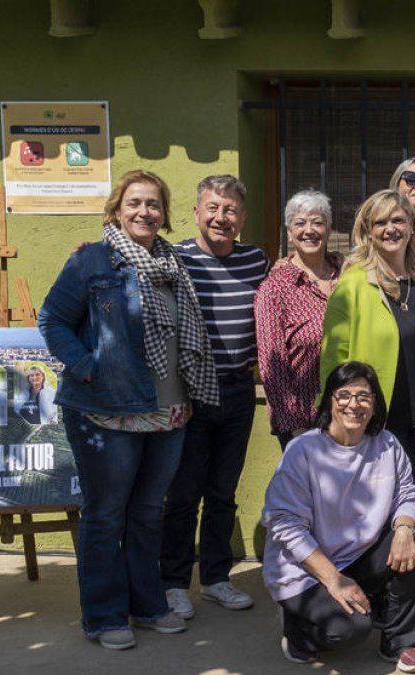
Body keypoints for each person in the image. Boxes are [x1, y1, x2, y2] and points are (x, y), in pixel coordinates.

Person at [39, 169, 219, 649]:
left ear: (164, 213)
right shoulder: (92, 260)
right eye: (135, 203)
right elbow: (53, 319)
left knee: (146, 513)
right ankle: (103, 616)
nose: (144, 212)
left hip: (169, 410)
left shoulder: (173, 263)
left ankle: (147, 605)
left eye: (154, 204)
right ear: (118, 209)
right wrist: (87, 366)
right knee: (106, 514)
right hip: (107, 410)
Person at [262, 361, 415, 673]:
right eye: (344, 395)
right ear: (330, 400)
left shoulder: (386, 444)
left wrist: (404, 528)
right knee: (352, 629)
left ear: (374, 404)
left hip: (358, 556)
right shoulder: (303, 450)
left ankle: (401, 642)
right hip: (306, 569)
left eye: (363, 396)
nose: (353, 404)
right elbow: (285, 523)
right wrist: (333, 579)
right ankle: (298, 630)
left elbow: (408, 493)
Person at [162, 174, 269, 620]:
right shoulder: (174, 258)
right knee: (183, 494)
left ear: (242, 218)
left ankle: (216, 580)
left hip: (239, 390)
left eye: (230, 210)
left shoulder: (255, 261)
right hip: (189, 392)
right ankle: (172, 583)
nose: (221, 218)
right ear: (196, 212)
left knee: (223, 492)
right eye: (213, 208)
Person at [322, 188, 415, 538]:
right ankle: (381, 587)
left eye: (398, 220)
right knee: (379, 504)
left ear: (411, 225)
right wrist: (335, 416)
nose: (390, 229)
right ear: (368, 230)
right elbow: (333, 358)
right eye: (381, 222)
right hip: (381, 419)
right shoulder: (353, 284)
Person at [255, 189, 341, 450]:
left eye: (317, 222)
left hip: (349, 413)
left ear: (328, 228)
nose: (309, 230)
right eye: (300, 223)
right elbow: (272, 362)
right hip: (304, 420)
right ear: (289, 231)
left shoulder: (347, 276)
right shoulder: (275, 287)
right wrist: (295, 427)